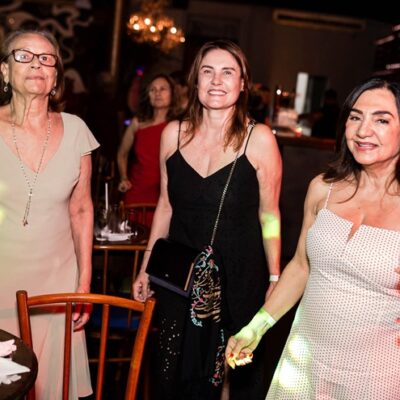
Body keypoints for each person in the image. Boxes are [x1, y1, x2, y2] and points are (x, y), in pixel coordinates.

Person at [226, 77, 400, 399]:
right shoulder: (323, 188)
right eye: (355, 117)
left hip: (376, 376)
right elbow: (301, 267)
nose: (363, 131)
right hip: (303, 364)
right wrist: (257, 327)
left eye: (381, 120)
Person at [133, 40, 282, 399]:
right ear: (195, 81)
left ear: (243, 83)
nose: (216, 81)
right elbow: (165, 206)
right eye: (207, 71)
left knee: (230, 375)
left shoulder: (259, 139)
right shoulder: (172, 134)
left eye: (227, 72)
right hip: (179, 278)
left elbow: (270, 214)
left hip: (239, 278)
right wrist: (145, 268)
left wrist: (275, 276)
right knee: (173, 372)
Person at [0, 29, 99, 398]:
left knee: (52, 387)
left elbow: (82, 209)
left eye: (46, 59)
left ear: (56, 77)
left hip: (57, 283)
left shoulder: (76, 130)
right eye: (23, 56)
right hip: (2, 277)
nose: (36, 64)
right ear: (5, 71)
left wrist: (84, 283)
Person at [117, 74, 176, 212]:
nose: (157, 93)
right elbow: (122, 154)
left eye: (162, 89)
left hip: (165, 195)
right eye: (153, 89)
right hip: (136, 191)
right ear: (148, 95)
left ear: (173, 94)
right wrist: (124, 178)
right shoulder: (138, 123)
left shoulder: (178, 127)